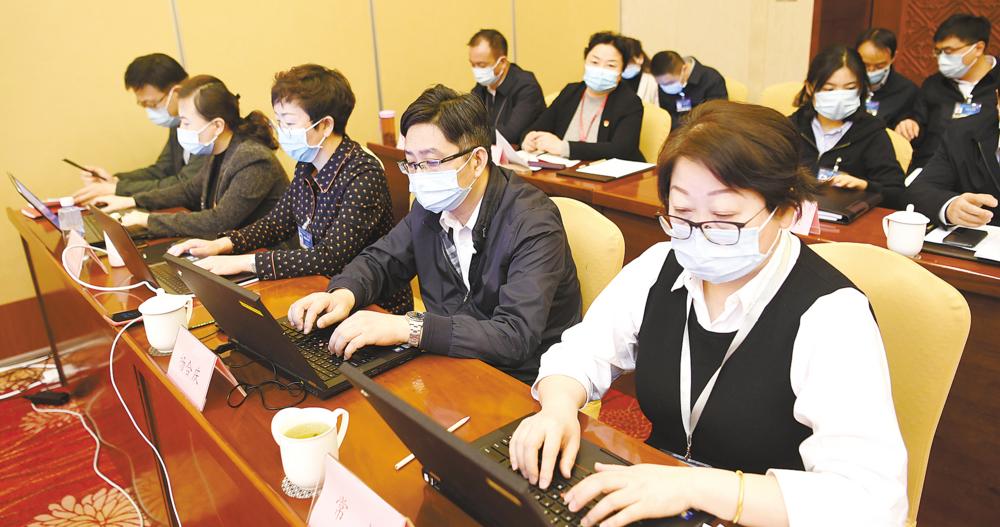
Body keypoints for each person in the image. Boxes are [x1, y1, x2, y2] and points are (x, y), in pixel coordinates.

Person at [508, 100, 908, 526]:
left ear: (787, 211)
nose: (698, 236)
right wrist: (557, 408)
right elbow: (582, 352)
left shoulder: (831, 315)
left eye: (724, 218)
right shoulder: (660, 266)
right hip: (661, 495)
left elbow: (870, 502)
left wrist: (694, 486)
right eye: (681, 213)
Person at [285, 85, 582, 384]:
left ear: (477, 160)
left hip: (525, 381)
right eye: (412, 163)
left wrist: (410, 328)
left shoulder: (532, 222)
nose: (419, 176)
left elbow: (514, 336)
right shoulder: (432, 207)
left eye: (430, 162)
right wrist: (343, 294)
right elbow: (381, 260)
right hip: (452, 361)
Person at [166, 65, 412, 314]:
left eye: (290, 122)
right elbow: (277, 223)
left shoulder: (363, 174)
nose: (282, 130)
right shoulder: (307, 163)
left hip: (371, 305)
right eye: (279, 121)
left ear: (325, 125)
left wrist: (244, 262)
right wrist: (223, 245)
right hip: (319, 289)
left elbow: (330, 257)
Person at [95, 75, 288, 239]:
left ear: (217, 126)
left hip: (267, 256)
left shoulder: (253, 159)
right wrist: (134, 201)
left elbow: (219, 221)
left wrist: (147, 220)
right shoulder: (219, 149)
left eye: (186, 123)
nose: (181, 129)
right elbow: (189, 190)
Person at [74, 53, 206, 204]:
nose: (150, 111)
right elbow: (162, 170)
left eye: (152, 104)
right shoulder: (177, 120)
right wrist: (114, 180)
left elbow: (186, 183)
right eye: (143, 105)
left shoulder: (207, 122)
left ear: (177, 91)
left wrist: (118, 189)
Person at [790, 45, 905, 209]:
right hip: (793, 214)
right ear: (810, 88)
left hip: (844, 217)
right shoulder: (791, 127)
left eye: (850, 88)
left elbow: (897, 193)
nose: (839, 97)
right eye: (829, 89)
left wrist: (865, 186)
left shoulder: (872, 133)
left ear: (861, 88)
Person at [896, 13, 999, 169]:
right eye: (938, 51)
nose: (942, 58)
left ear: (978, 48)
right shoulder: (933, 85)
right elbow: (919, 126)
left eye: (949, 51)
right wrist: (909, 125)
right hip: (931, 169)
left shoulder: (996, 82)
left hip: (984, 173)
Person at [521, 31, 644, 161]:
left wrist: (564, 148)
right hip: (564, 171)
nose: (601, 70)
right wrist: (528, 139)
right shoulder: (571, 92)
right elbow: (538, 127)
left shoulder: (630, 102)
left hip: (606, 172)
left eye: (611, 65)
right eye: (595, 62)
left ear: (622, 70)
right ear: (585, 61)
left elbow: (621, 150)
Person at [905, 94, 999, 227]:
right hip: (984, 233)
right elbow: (919, 191)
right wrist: (950, 207)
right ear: (998, 98)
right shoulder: (963, 132)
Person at [467, 29, 545, 145]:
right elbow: (466, 121)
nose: (476, 70)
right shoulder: (482, 86)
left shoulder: (527, 87)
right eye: (472, 64)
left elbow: (511, 134)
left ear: (502, 62)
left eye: (481, 65)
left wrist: (470, 134)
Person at [855, 28, 919, 129]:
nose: (871, 70)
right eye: (865, 65)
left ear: (893, 57)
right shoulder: (844, 84)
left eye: (879, 66)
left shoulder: (907, 91)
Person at [650, 50, 728, 130]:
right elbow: (667, 115)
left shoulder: (711, 79)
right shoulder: (663, 84)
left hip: (706, 131)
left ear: (684, 69)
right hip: (676, 132)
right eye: (662, 84)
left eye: (670, 83)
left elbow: (717, 116)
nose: (667, 87)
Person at [620, 36, 658, 104]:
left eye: (628, 62)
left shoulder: (652, 81)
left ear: (640, 58)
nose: (624, 67)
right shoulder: (612, 80)